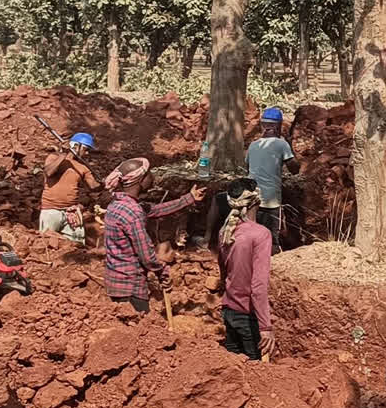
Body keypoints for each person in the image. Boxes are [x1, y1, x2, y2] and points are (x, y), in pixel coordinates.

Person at [102, 157, 205, 313]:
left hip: (115, 282)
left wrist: (188, 198)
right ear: (141, 180)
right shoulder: (133, 212)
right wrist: (161, 271)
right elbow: (146, 255)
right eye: (150, 173)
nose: (153, 177)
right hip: (131, 285)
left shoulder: (117, 204)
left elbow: (156, 210)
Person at [216, 178, 275, 361]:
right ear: (257, 200)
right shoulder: (261, 235)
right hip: (247, 317)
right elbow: (258, 286)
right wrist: (265, 328)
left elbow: (223, 271)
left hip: (229, 312)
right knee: (256, 377)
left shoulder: (226, 231)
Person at [245, 107, 300, 253]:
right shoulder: (282, 144)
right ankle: (272, 266)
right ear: (278, 126)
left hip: (252, 199)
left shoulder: (253, 145)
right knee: (271, 239)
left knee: (253, 235)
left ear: (263, 125)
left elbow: (248, 168)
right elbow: (295, 169)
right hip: (271, 200)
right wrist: (289, 146)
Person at [39, 132, 99, 244]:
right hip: (51, 211)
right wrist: (63, 155)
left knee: (76, 245)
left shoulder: (82, 167)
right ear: (75, 146)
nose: (86, 153)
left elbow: (93, 186)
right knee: (47, 243)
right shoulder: (54, 157)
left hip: (71, 211)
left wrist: (104, 183)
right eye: (85, 149)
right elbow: (48, 172)